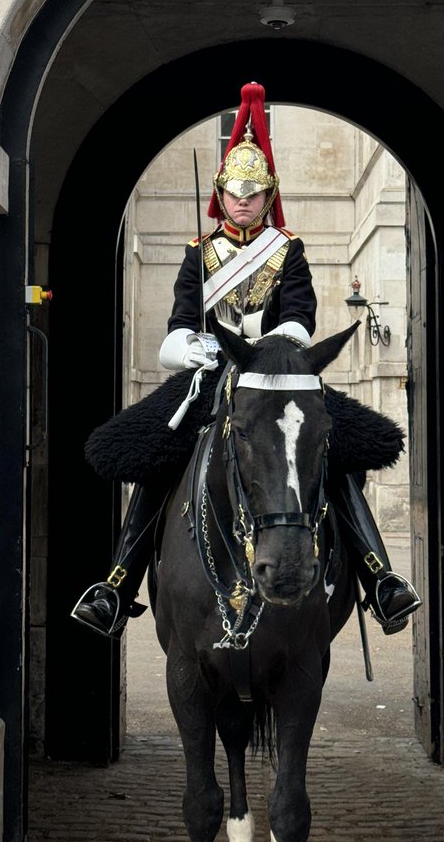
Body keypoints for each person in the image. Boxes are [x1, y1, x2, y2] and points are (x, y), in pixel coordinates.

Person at [72, 82, 422, 639]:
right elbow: (179, 323)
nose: (243, 201)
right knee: (155, 455)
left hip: (277, 370)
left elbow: (301, 317)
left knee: (329, 449)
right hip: (210, 375)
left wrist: (267, 346)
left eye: (253, 193)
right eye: (234, 192)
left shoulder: (288, 250)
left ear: (267, 196)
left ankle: (380, 577)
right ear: (220, 194)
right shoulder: (199, 254)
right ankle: (117, 585)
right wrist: (193, 346)